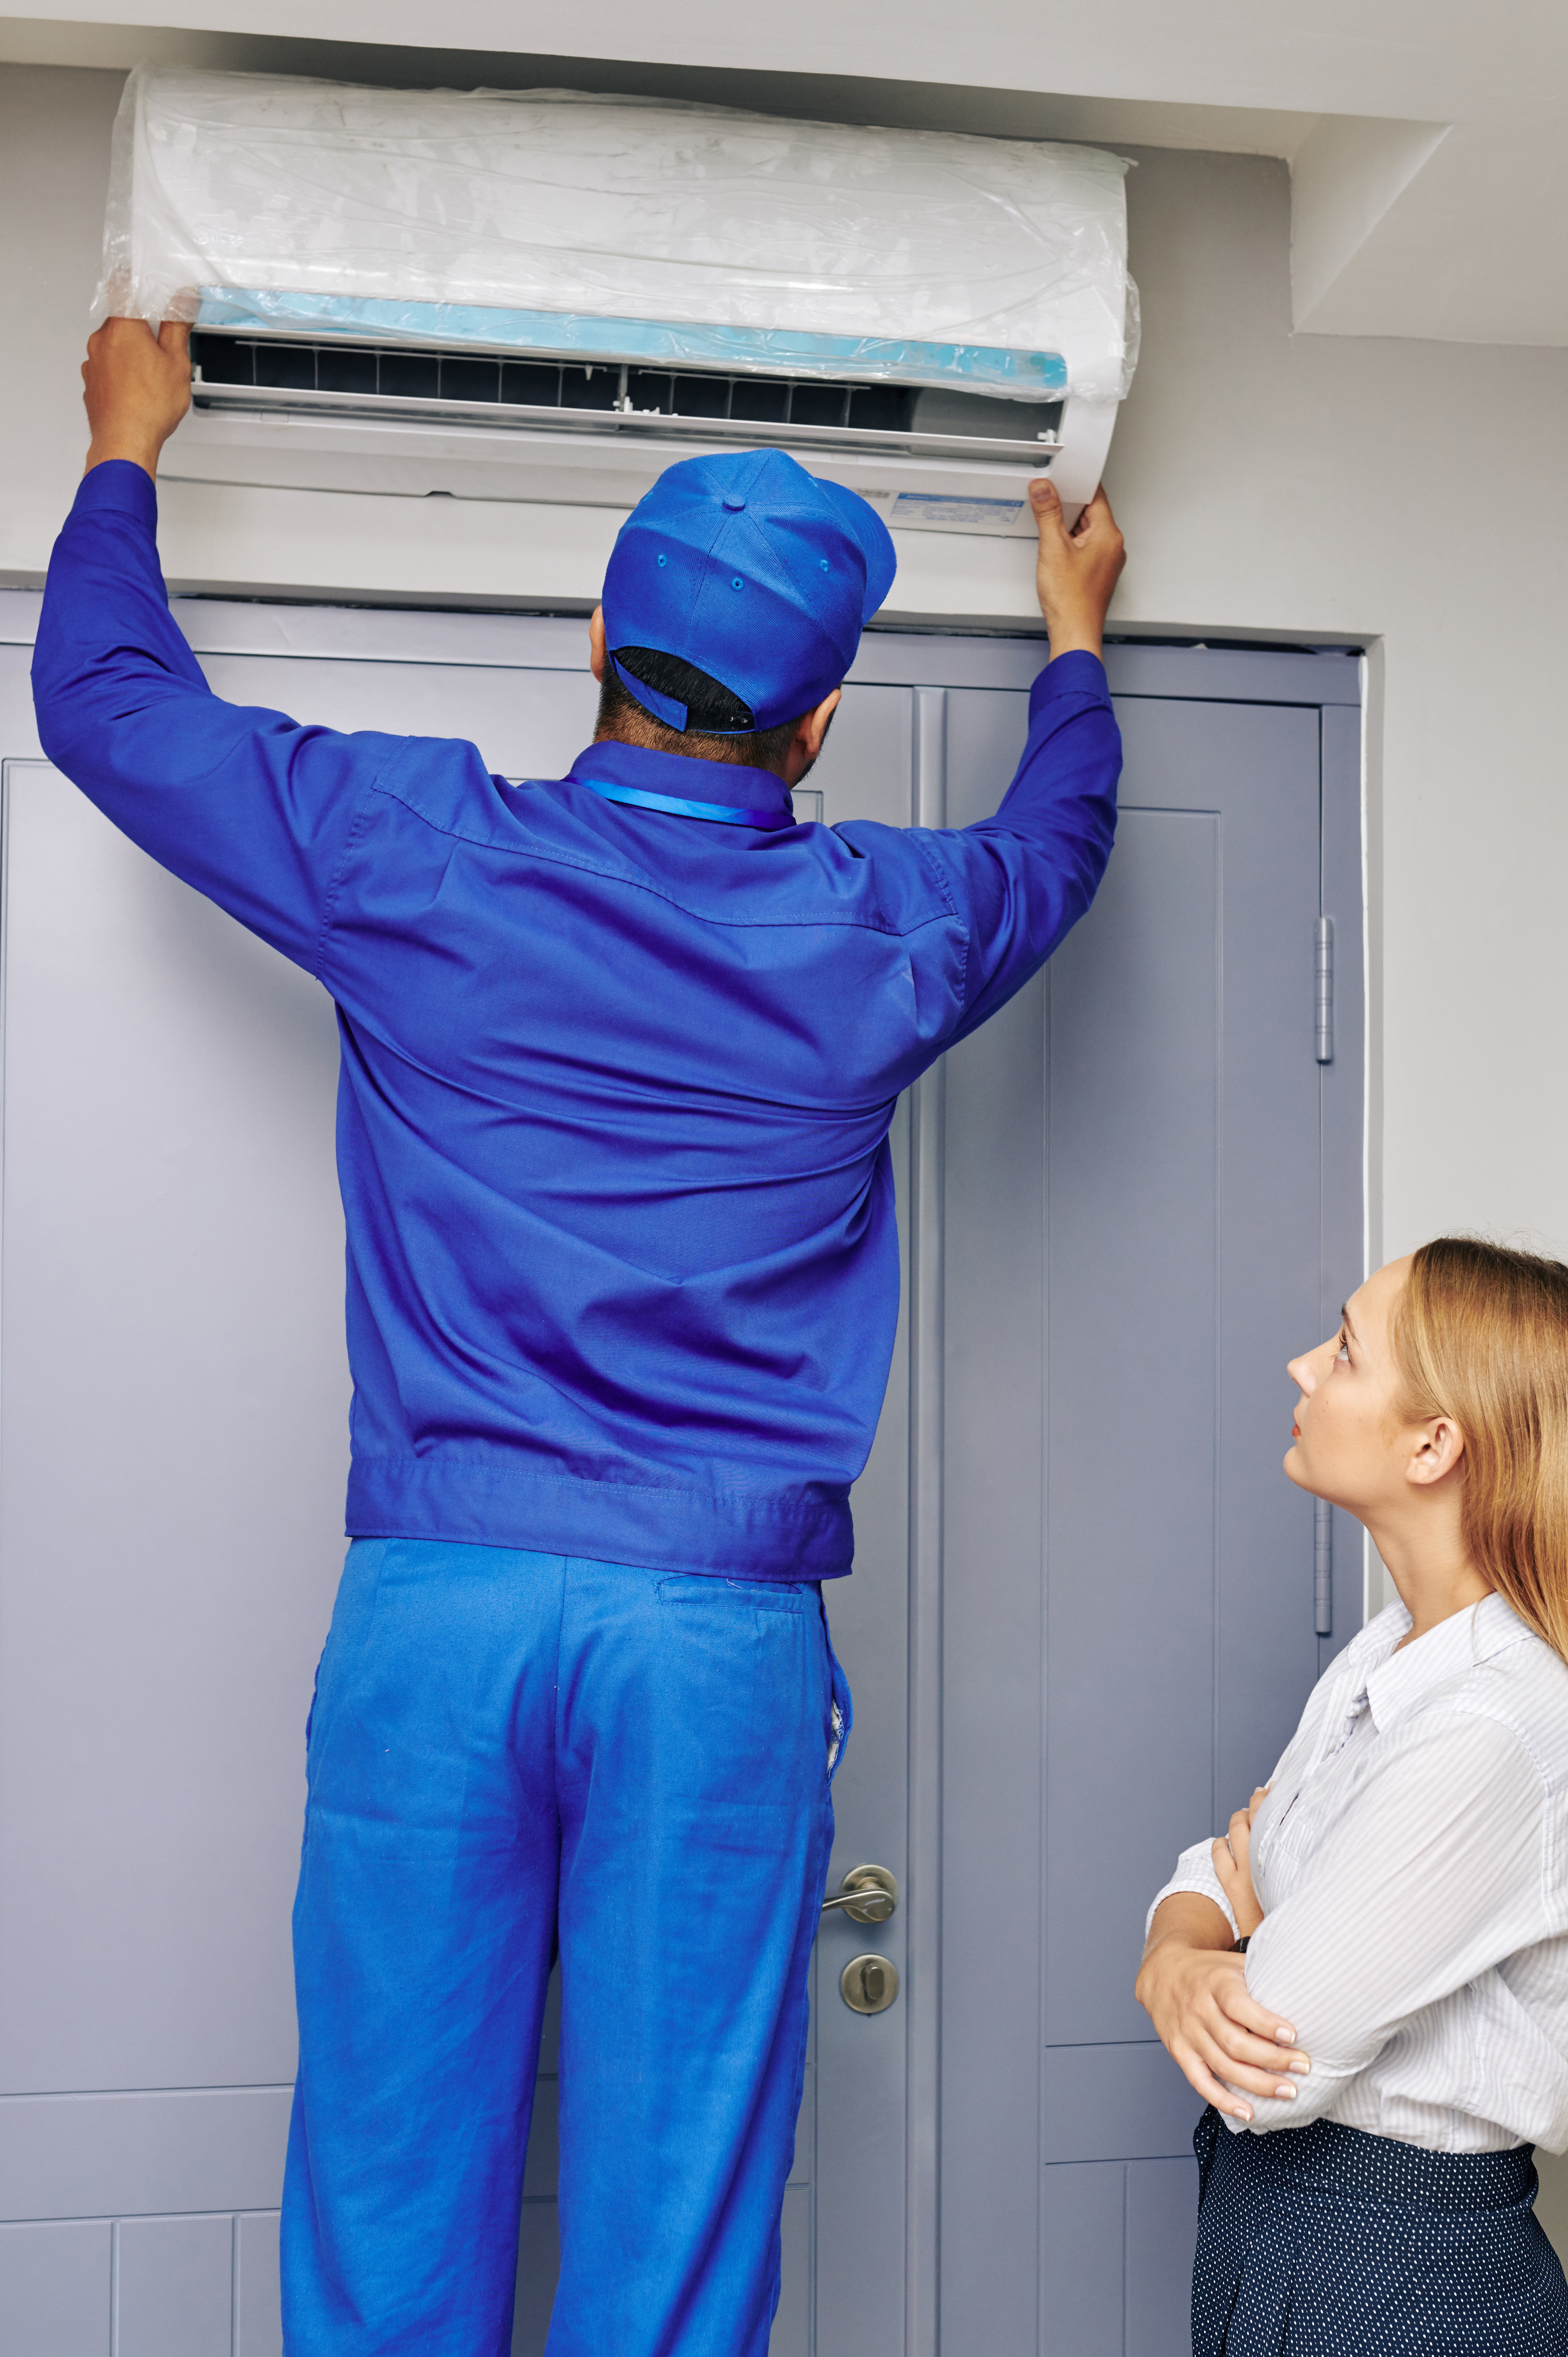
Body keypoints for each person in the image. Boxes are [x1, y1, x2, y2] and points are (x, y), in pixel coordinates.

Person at [33, 317, 1128, 2357]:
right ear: (812, 736)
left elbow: (105, 705)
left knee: (383, 2199)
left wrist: (127, 446)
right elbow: (1058, 853)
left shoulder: (412, 851)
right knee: (675, 2233)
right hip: (709, 1645)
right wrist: (1072, 646)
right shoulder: (887, 930)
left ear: (598, 652)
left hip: (435, 1618)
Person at [1137, 1239, 1568, 2357]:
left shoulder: (1496, 1725)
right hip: (1282, 2250)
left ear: (1435, 1443)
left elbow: (1276, 2059)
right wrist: (1182, 1951)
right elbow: (1210, 1873)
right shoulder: (1386, 1660)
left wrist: (1250, 1909)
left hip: (1398, 2285)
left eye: (1347, 1352)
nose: (1305, 1368)